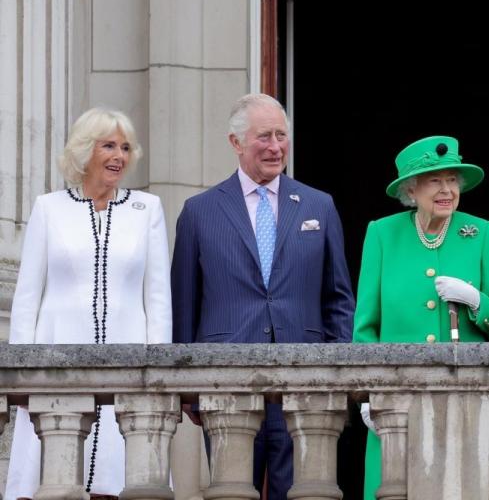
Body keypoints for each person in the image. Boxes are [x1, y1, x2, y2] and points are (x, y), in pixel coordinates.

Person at [171, 93, 355, 500]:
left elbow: (338, 297)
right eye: (263, 137)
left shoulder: (318, 206)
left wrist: (338, 369)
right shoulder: (199, 211)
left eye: (281, 136)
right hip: (226, 379)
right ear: (236, 143)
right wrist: (186, 384)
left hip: (305, 380)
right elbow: (185, 303)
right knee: (231, 492)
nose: (275, 147)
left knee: (305, 492)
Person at [6, 108, 171, 499]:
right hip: (55, 358)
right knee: (52, 481)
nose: (119, 156)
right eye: (108, 146)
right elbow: (28, 296)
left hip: (128, 360)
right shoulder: (49, 208)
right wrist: (20, 374)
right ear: (85, 152)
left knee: (118, 479)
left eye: (126, 147)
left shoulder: (147, 210)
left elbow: (158, 298)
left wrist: (162, 375)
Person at [353, 135, 489, 500]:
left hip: (465, 400)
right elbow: (366, 326)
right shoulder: (382, 234)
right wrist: (368, 392)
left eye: (453, 180)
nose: (447, 190)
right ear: (411, 189)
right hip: (397, 400)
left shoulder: (481, 232)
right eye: (435, 181)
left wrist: (476, 301)